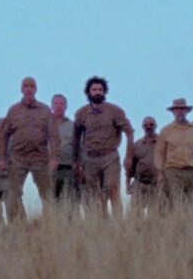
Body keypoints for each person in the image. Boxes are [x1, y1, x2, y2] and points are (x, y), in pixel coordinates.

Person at [72, 76, 134, 218]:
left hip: (109, 157)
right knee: (93, 195)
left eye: (100, 89)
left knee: (112, 189)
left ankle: (118, 223)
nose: (97, 92)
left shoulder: (115, 111)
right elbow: (76, 137)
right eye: (94, 90)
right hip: (89, 159)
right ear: (88, 92)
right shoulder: (81, 113)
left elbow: (129, 132)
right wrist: (75, 161)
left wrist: (129, 156)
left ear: (104, 91)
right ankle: (100, 224)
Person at [0, 77, 59, 221]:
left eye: (32, 86)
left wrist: (55, 157)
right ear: (21, 90)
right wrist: (1, 158)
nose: (29, 89)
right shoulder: (13, 110)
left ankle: (50, 225)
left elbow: (54, 136)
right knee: (13, 194)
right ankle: (19, 224)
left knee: (47, 195)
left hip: (40, 159)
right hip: (18, 159)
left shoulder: (45, 110)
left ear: (36, 89)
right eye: (26, 86)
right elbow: (4, 135)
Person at [154, 99, 193, 212]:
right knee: (175, 201)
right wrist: (160, 172)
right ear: (173, 111)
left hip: (192, 170)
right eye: (177, 109)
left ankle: (188, 222)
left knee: (191, 202)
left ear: (187, 111)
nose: (180, 111)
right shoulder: (165, 131)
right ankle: (177, 221)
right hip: (172, 170)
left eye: (182, 109)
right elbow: (159, 152)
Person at [50, 94, 80, 213]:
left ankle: (73, 224)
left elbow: (79, 147)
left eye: (61, 103)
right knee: (51, 202)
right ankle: (53, 224)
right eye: (56, 103)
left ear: (66, 106)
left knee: (71, 202)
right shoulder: (44, 126)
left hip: (68, 168)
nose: (59, 106)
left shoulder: (73, 126)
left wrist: (78, 164)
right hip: (49, 170)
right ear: (51, 106)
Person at [125, 116, 158, 217]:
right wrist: (127, 183)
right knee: (135, 214)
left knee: (156, 216)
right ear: (142, 127)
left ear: (156, 126)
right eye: (146, 125)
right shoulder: (137, 145)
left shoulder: (162, 143)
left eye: (151, 124)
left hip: (157, 184)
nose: (149, 127)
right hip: (140, 183)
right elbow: (130, 166)